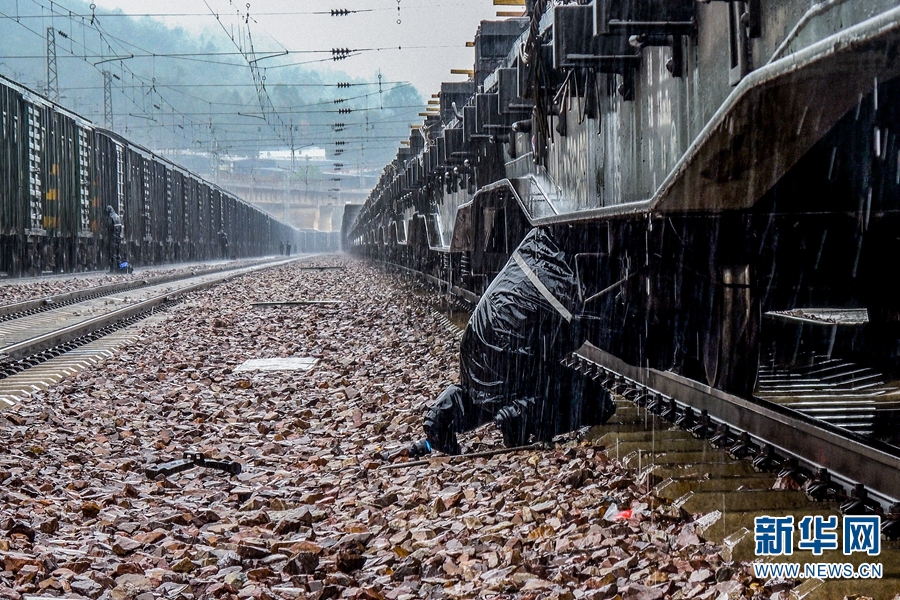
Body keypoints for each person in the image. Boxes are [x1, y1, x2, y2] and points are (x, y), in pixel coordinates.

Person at [422, 229, 616, 454]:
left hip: (478, 345)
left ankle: (440, 420)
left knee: (481, 392)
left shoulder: (552, 245)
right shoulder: (558, 249)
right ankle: (520, 414)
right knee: (600, 403)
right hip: (507, 345)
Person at [105, 206, 123, 272]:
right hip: (118, 238)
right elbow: (121, 227)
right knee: (118, 253)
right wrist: (119, 236)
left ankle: (112, 269)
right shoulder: (117, 216)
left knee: (112, 253)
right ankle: (119, 268)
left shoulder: (111, 217)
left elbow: (109, 228)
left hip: (112, 237)